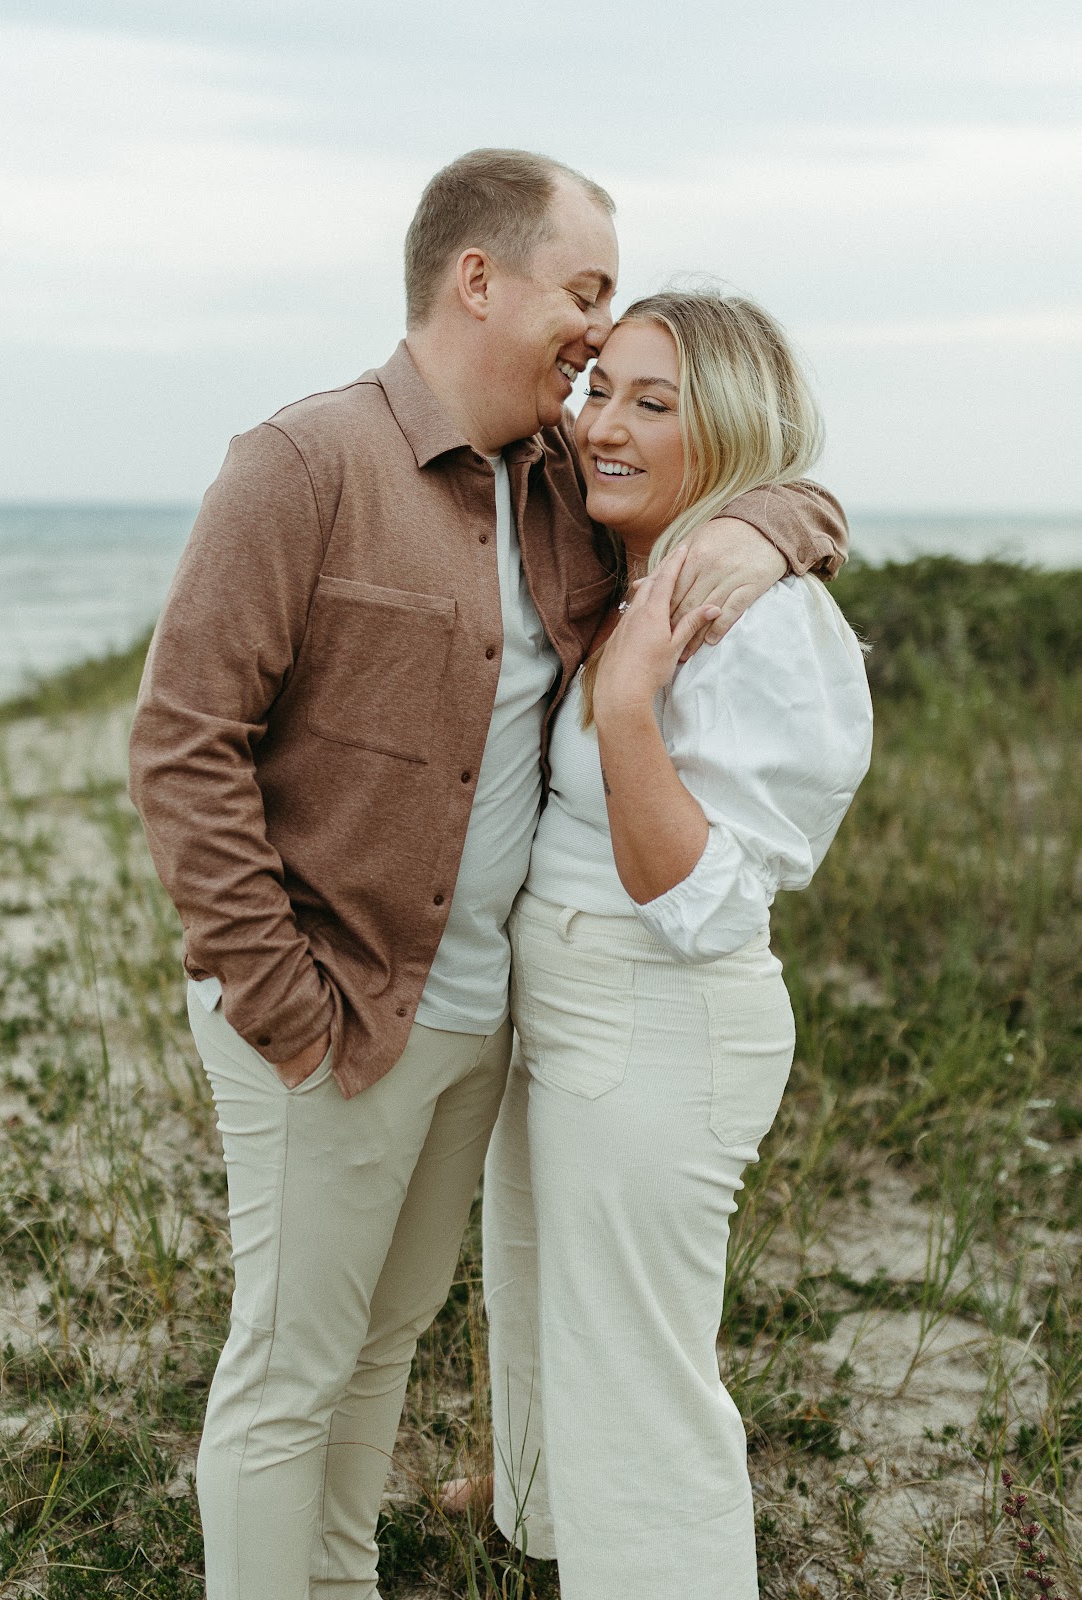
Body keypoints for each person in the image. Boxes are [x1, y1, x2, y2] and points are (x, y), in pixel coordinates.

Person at [128, 148, 848, 1600]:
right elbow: (182, 742)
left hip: (477, 1022)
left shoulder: (552, 485)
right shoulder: (303, 464)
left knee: (381, 1353)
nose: (596, 333)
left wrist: (777, 524)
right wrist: (283, 1002)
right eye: (583, 293)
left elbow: (728, 476)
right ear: (477, 278)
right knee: (287, 1375)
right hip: (330, 1012)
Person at [482, 291, 874, 1598]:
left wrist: (633, 704)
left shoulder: (753, 618)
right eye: (603, 391)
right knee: (541, 1298)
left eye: (655, 404)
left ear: (730, 431)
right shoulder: (647, 565)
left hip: (656, 1013)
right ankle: (545, 1529)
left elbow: (703, 904)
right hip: (568, 1002)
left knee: (639, 1369)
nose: (605, 425)